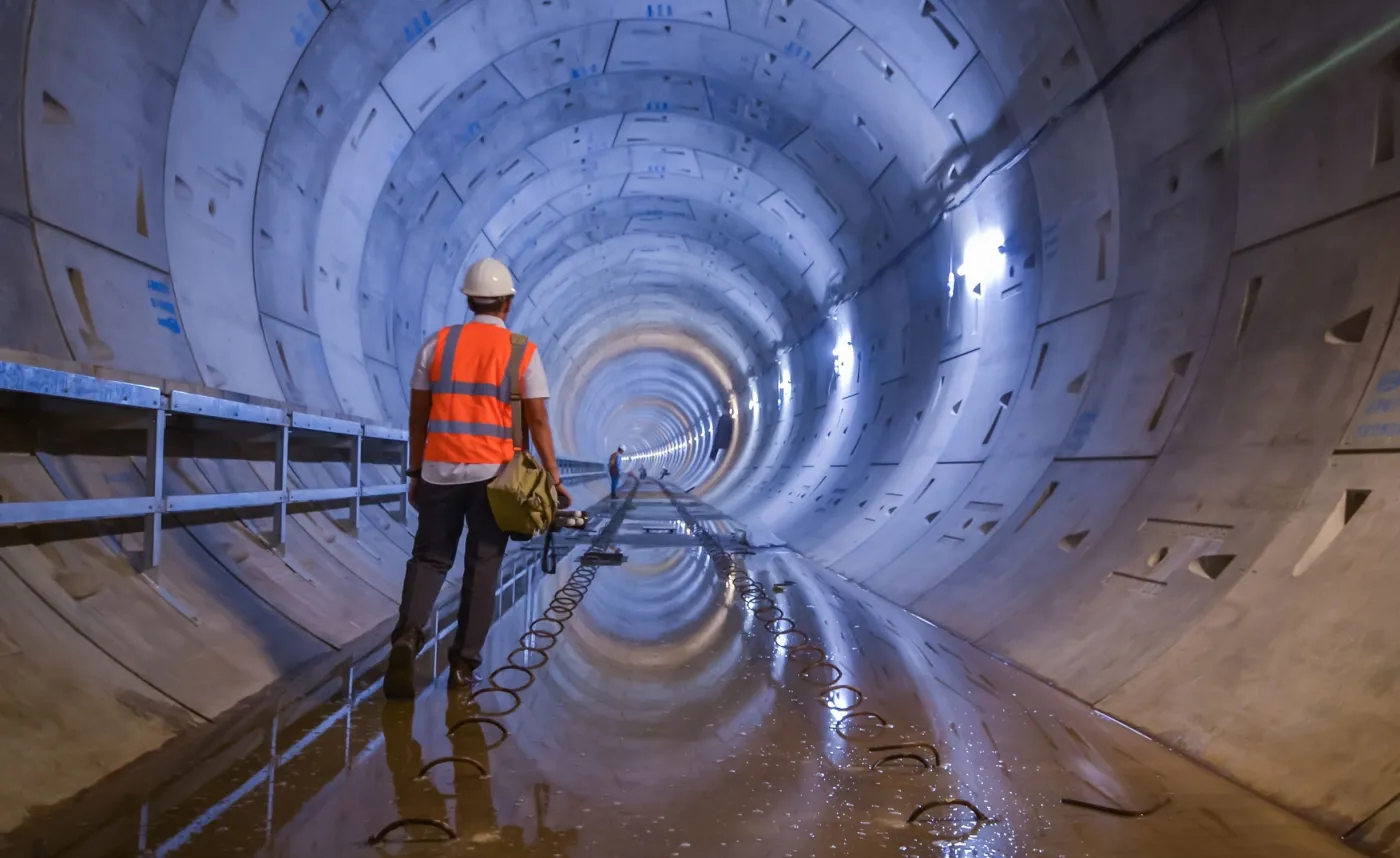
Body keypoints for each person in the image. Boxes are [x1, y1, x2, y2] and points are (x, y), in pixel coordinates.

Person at [386, 257, 572, 699]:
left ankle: (407, 636)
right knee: (482, 568)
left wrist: (415, 471)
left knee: (430, 559)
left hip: (439, 470)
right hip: (496, 479)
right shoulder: (522, 351)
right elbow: (539, 419)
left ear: (470, 300)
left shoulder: (437, 345)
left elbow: (418, 415)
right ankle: (462, 668)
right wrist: (554, 475)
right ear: (507, 302)